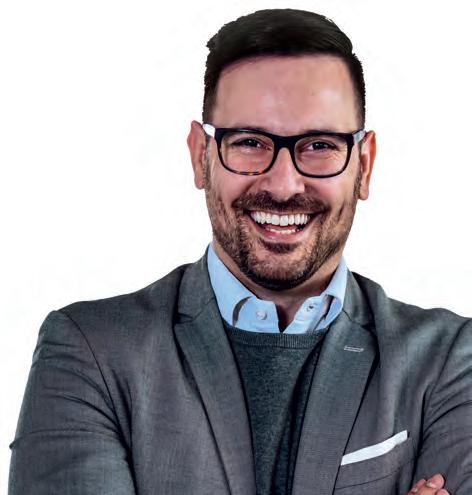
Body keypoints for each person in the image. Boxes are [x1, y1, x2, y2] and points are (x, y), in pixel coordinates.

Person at [8, 8, 471, 495]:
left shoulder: (449, 361)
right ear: (200, 156)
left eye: (319, 145)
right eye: (249, 142)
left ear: (365, 165)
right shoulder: (90, 353)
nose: (284, 184)